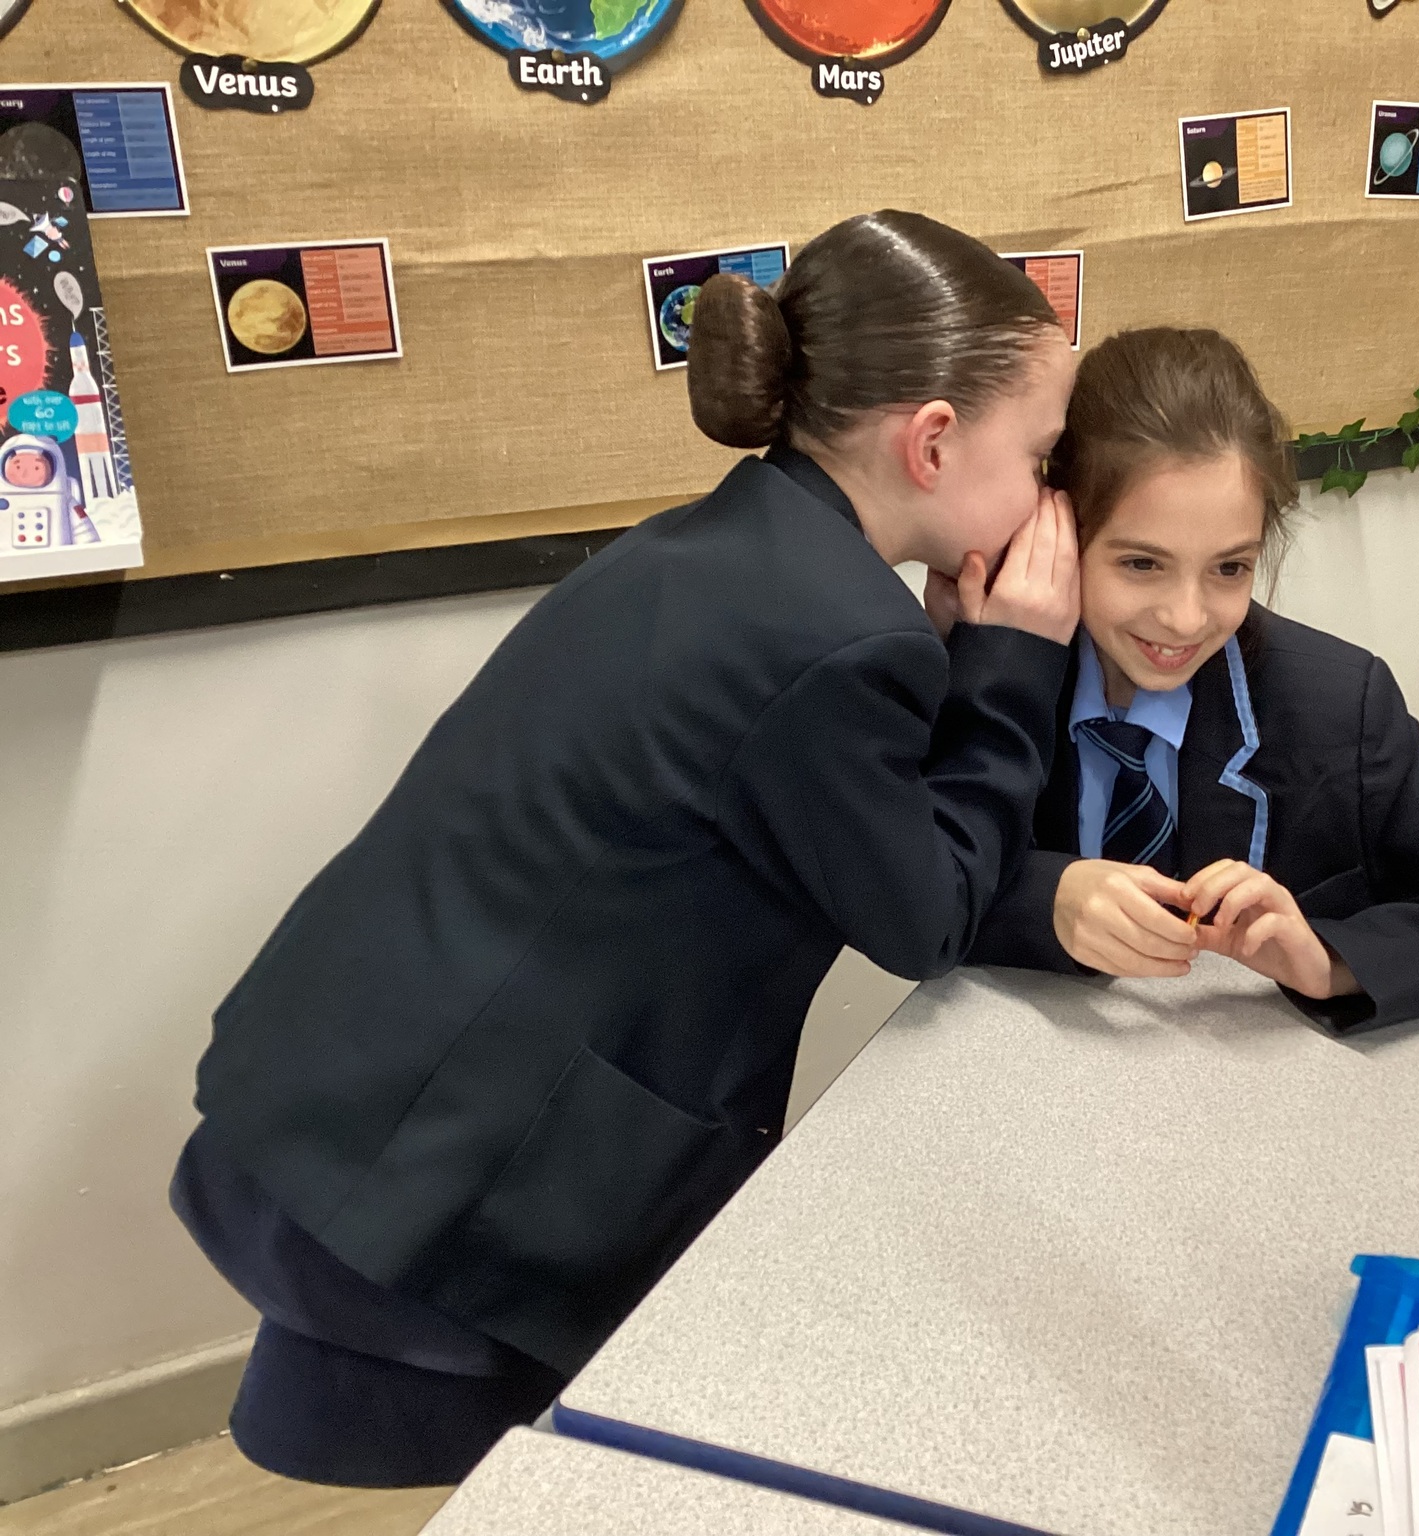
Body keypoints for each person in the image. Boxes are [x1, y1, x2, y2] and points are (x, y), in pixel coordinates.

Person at [171, 210, 1082, 1487]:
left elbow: (807, 796)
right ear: (931, 441)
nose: (1048, 493)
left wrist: (949, 660)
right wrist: (1010, 666)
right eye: (1039, 455)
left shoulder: (724, 548)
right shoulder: (836, 636)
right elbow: (922, 918)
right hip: (462, 1179)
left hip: (355, 1092)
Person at [962, 327, 1419, 1028]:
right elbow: (904, 885)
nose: (1187, 618)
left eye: (1230, 568)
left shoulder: (1339, 706)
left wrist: (1330, 959)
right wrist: (1047, 898)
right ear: (1056, 530)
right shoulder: (994, 678)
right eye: (1141, 564)